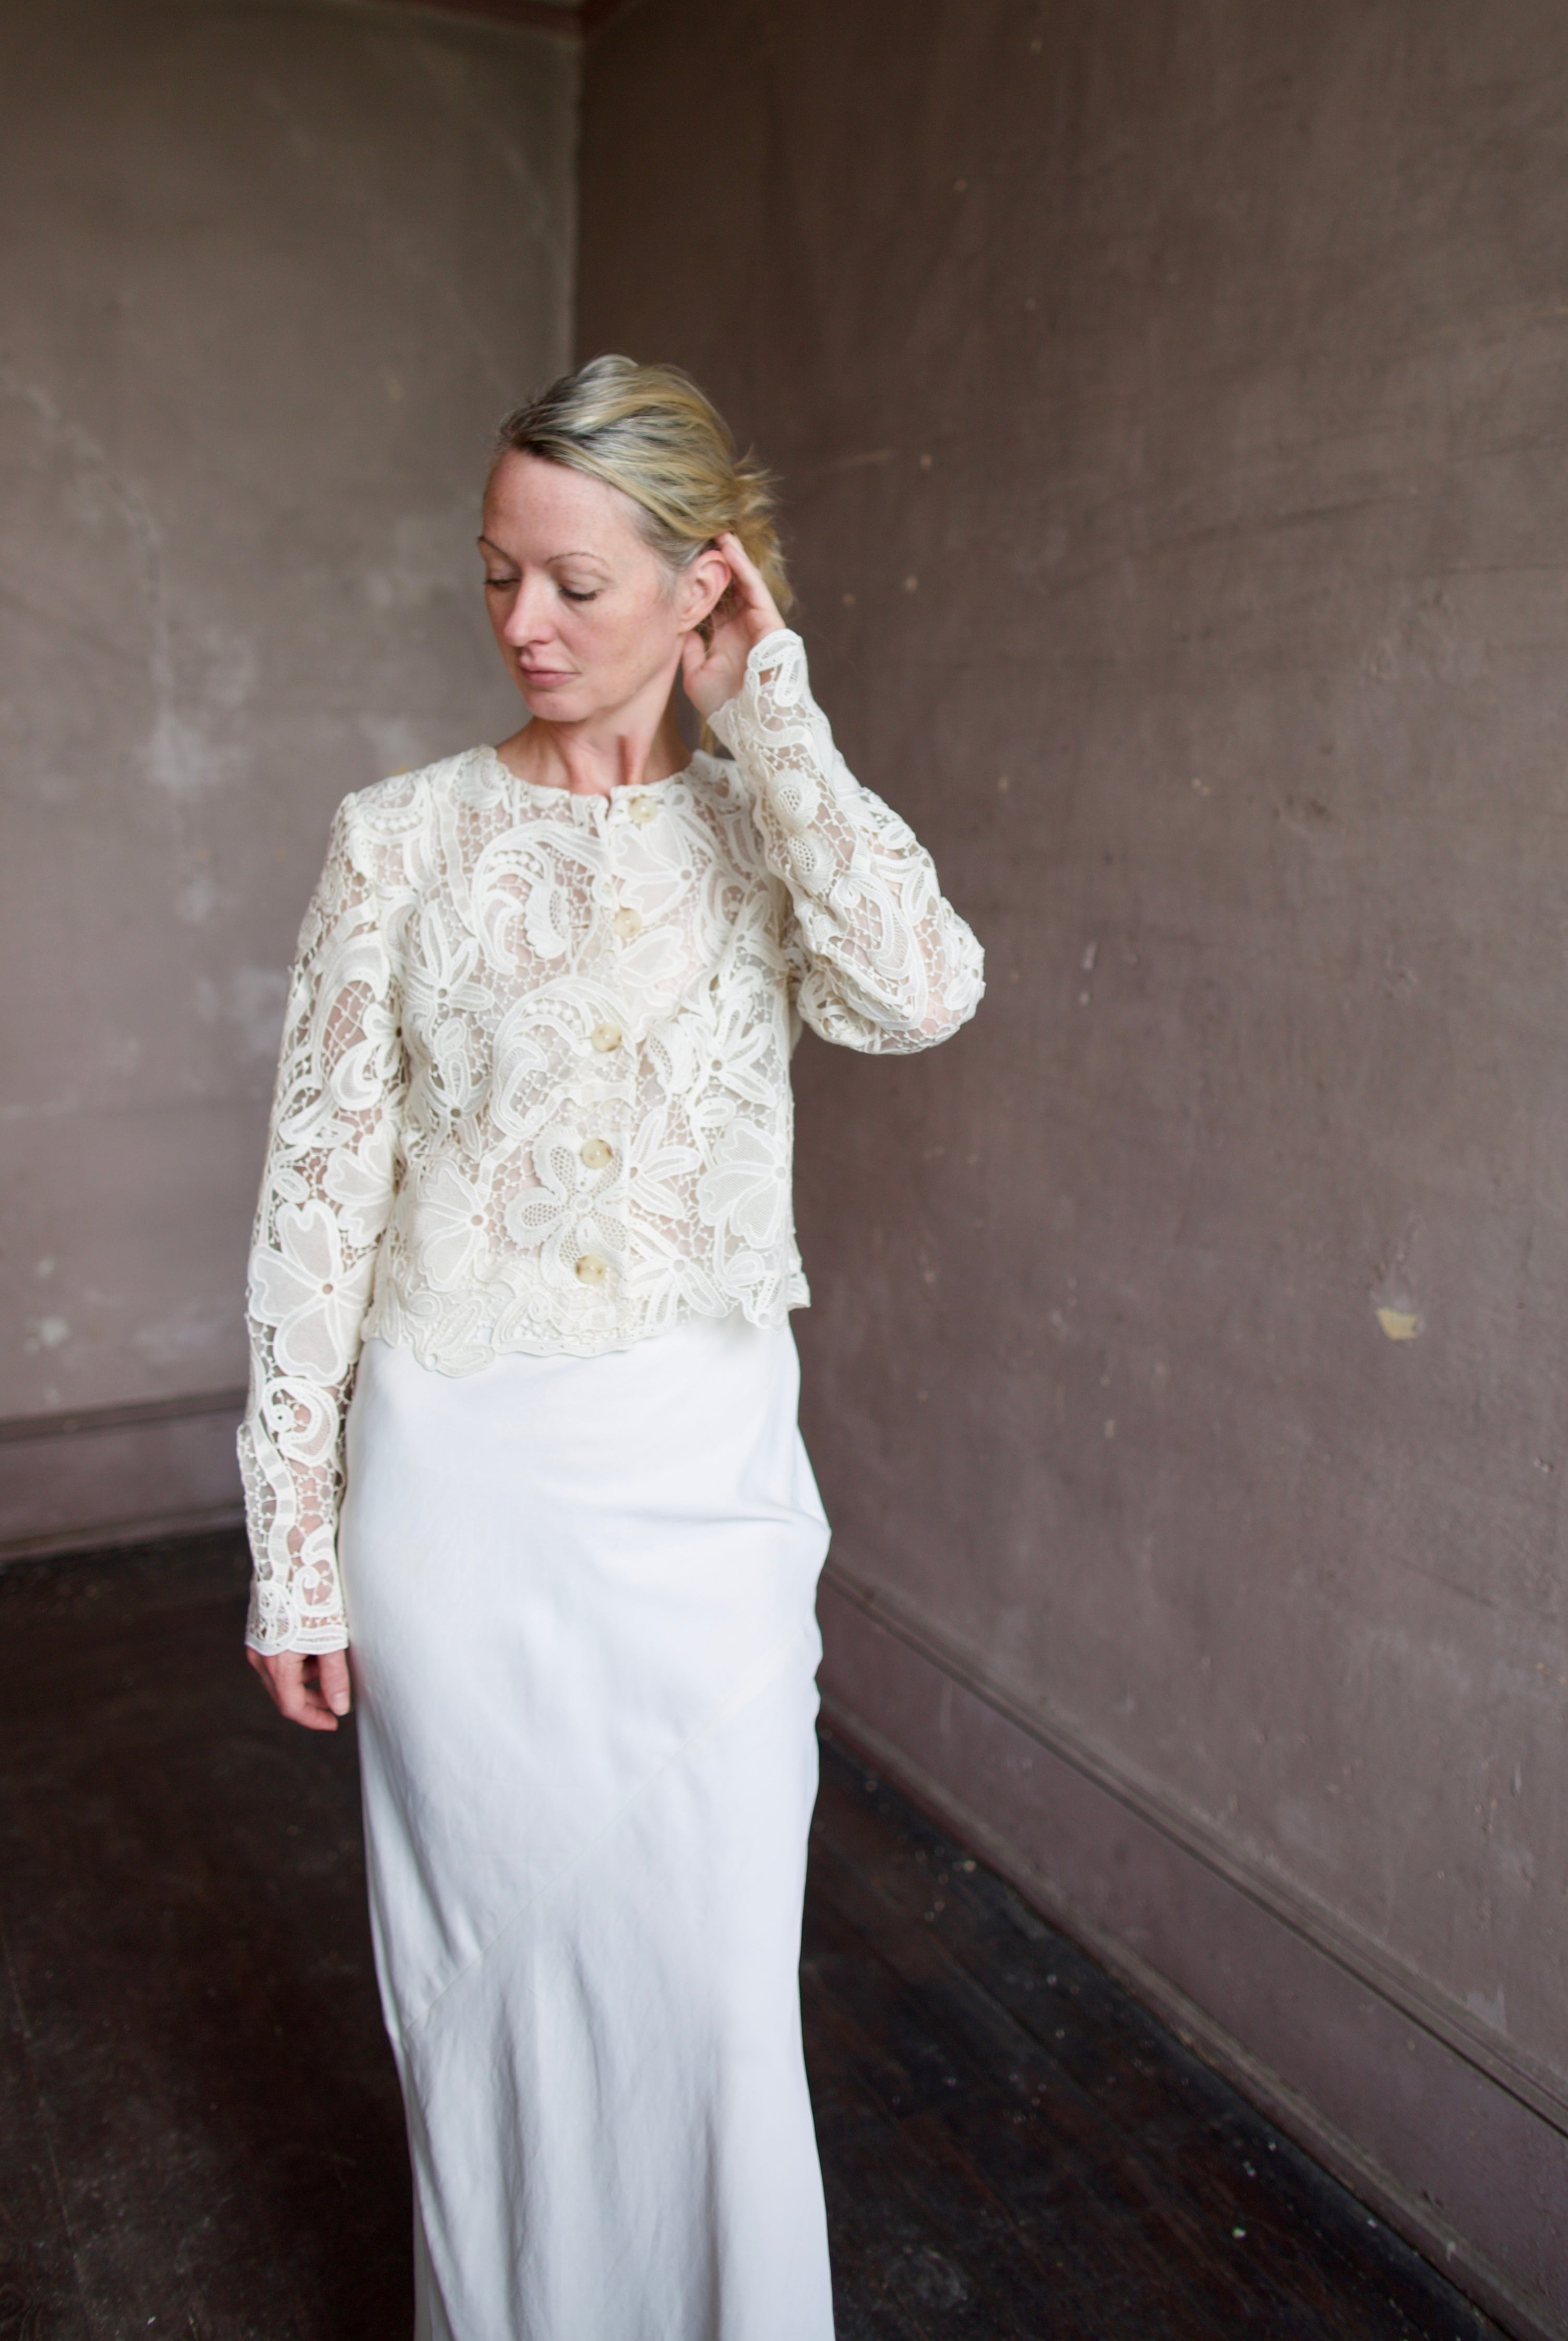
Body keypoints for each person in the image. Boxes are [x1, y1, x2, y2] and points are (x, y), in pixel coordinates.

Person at [238, 354, 984, 2341]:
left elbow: (919, 997)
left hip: (701, 1493)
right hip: (457, 1497)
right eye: (496, 578)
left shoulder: (765, 830)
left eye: (575, 582)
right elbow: (314, 1212)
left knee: (717, 1991)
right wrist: (290, 1543)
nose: (526, 627)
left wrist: (780, 714)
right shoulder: (395, 842)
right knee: (480, 2000)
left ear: (700, 584)